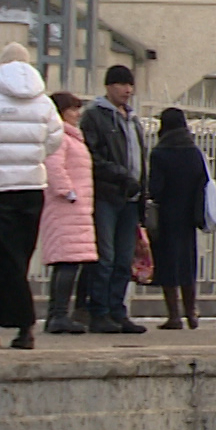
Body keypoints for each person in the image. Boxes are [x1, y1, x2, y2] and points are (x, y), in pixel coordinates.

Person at [0, 44, 63, 349]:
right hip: (32, 187)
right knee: (17, 259)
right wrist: (32, 158)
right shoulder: (44, 102)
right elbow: (54, 140)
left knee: (6, 258)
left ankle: (23, 325)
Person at [80, 64, 149, 334]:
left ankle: (117, 310)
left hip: (131, 198)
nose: (127, 90)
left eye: (130, 85)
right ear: (109, 87)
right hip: (107, 195)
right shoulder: (95, 118)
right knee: (105, 256)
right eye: (122, 84)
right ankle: (98, 311)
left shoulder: (133, 120)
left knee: (123, 258)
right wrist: (120, 175)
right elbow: (92, 157)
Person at [37, 92, 96, 335]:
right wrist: (67, 191)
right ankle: (58, 314)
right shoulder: (60, 136)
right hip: (67, 206)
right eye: (73, 109)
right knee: (67, 262)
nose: (77, 113)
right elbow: (53, 166)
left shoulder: (70, 137)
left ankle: (57, 314)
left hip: (75, 207)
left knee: (69, 261)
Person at [147, 108, 209, 330]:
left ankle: (174, 316)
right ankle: (192, 312)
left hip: (166, 216)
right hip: (189, 216)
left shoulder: (159, 153)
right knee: (187, 263)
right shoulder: (193, 152)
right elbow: (202, 183)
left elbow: (155, 188)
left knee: (168, 263)